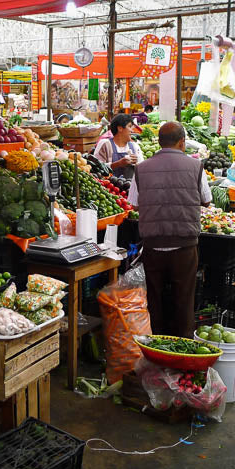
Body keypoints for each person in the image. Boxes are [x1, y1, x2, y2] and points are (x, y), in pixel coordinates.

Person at [129, 122, 211, 338]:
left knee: (154, 300)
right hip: (184, 245)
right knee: (183, 300)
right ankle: (181, 353)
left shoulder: (142, 168)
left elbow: (134, 204)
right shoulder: (196, 167)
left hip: (153, 246)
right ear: (182, 142)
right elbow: (207, 200)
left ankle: (156, 347)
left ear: (158, 142)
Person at [93, 113, 143, 180]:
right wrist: (118, 164)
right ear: (120, 128)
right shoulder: (105, 144)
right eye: (130, 126)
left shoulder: (134, 146)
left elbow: (142, 169)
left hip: (129, 188)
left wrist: (136, 163)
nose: (132, 130)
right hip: (109, 187)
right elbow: (96, 168)